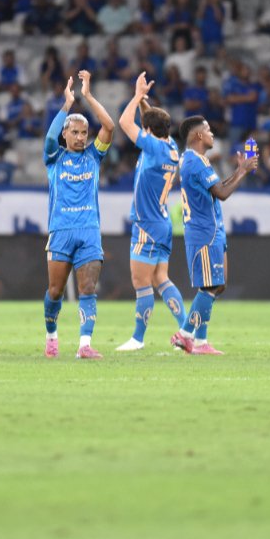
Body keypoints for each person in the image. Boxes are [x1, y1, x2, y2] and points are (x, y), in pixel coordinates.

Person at [169, 115, 260, 356]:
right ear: (198, 135)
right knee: (212, 285)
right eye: (208, 130)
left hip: (212, 229)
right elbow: (221, 193)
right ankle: (186, 335)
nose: (212, 134)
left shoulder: (198, 160)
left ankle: (200, 341)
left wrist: (240, 170)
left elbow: (216, 186)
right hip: (204, 231)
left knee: (218, 286)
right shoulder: (194, 162)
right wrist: (242, 173)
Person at [42, 70, 115, 359]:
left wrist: (88, 96)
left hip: (88, 230)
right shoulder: (54, 157)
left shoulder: (94, 156)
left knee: (87, 288)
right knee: (55, 291)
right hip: (60, 230)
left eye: (84, 133)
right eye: (75, 132)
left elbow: (109, 126)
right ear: (65, 134)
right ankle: (51, 335)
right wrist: (67, 105)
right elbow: (49, 137)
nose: (81, 137)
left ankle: (84, 345)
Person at [114, 73, 188, 352]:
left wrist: (134, 98)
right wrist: (144, 100)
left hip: (146, 223)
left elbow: (124, 122)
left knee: (140, 282)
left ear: (148, 130)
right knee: (161, 278)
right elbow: (152, 122)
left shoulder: (153, 147)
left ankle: (137, 338)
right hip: (163, 223)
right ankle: (185, 329)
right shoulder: (170, 146)